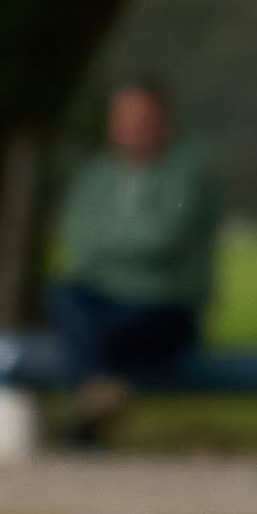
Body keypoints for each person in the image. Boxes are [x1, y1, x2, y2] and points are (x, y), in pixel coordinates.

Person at [46, 77, 221, 441]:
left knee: (106, 326)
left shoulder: (188, 173)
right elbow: (82, 243)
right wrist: (127, 247)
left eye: (142, 117)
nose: (133, 127)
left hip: (163, 306)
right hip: (102, 302)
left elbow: (164, 240)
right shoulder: (96, 177)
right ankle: (101, 397)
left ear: (164, 120)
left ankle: (93, 404)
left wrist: (113, 248)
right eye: (124, 117)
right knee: (63, 296)